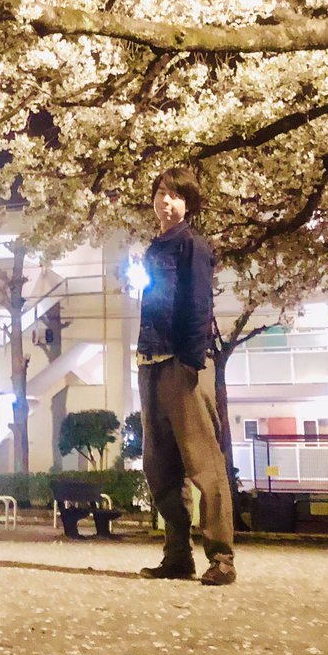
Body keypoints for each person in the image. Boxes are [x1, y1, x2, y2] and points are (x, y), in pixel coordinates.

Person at [136, 166, 236, 586]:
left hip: (181, 361)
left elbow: (198, 303)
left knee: (203, 463)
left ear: (188, 204)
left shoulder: (192, 245)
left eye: (175, 195)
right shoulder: (155, 247)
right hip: (150, 361)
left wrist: (192, 361)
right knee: (159, 466)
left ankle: (222, 558)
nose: (166, 201)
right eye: (161, 192)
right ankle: (177, 555)